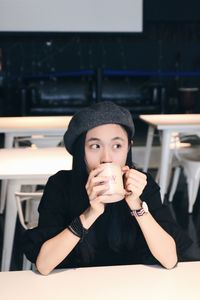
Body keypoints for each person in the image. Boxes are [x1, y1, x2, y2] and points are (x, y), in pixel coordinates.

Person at [23, 101, 192, 275]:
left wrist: (136, 204)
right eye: (95, 146)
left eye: (117, 146)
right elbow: (44, 265)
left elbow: (170, 260)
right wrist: (91, 213)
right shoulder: (60, 185)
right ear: (81, 150)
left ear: (128, 147)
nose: (107, 158)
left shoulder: (141, 184)